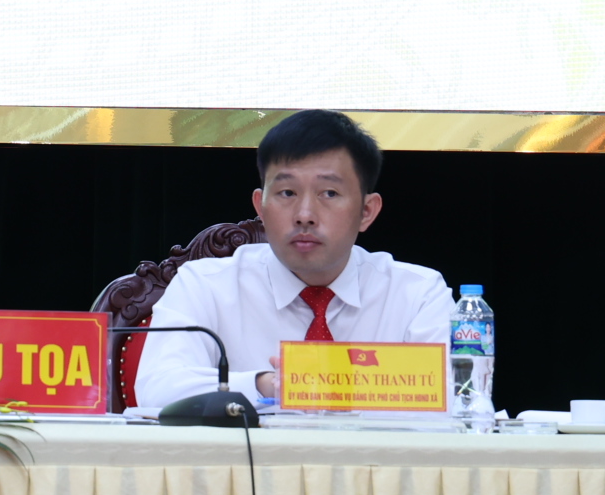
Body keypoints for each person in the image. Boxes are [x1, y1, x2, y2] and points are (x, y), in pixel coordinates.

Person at [130, 109, 453, 411]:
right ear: (260, 206)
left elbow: (458, 399)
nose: (305, 215)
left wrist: (343, 387)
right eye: (287, 193)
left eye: (329, 193)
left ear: (366, 212)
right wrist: (267, 386)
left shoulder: (417, 294)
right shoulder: (204, 284)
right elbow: (157, 389)